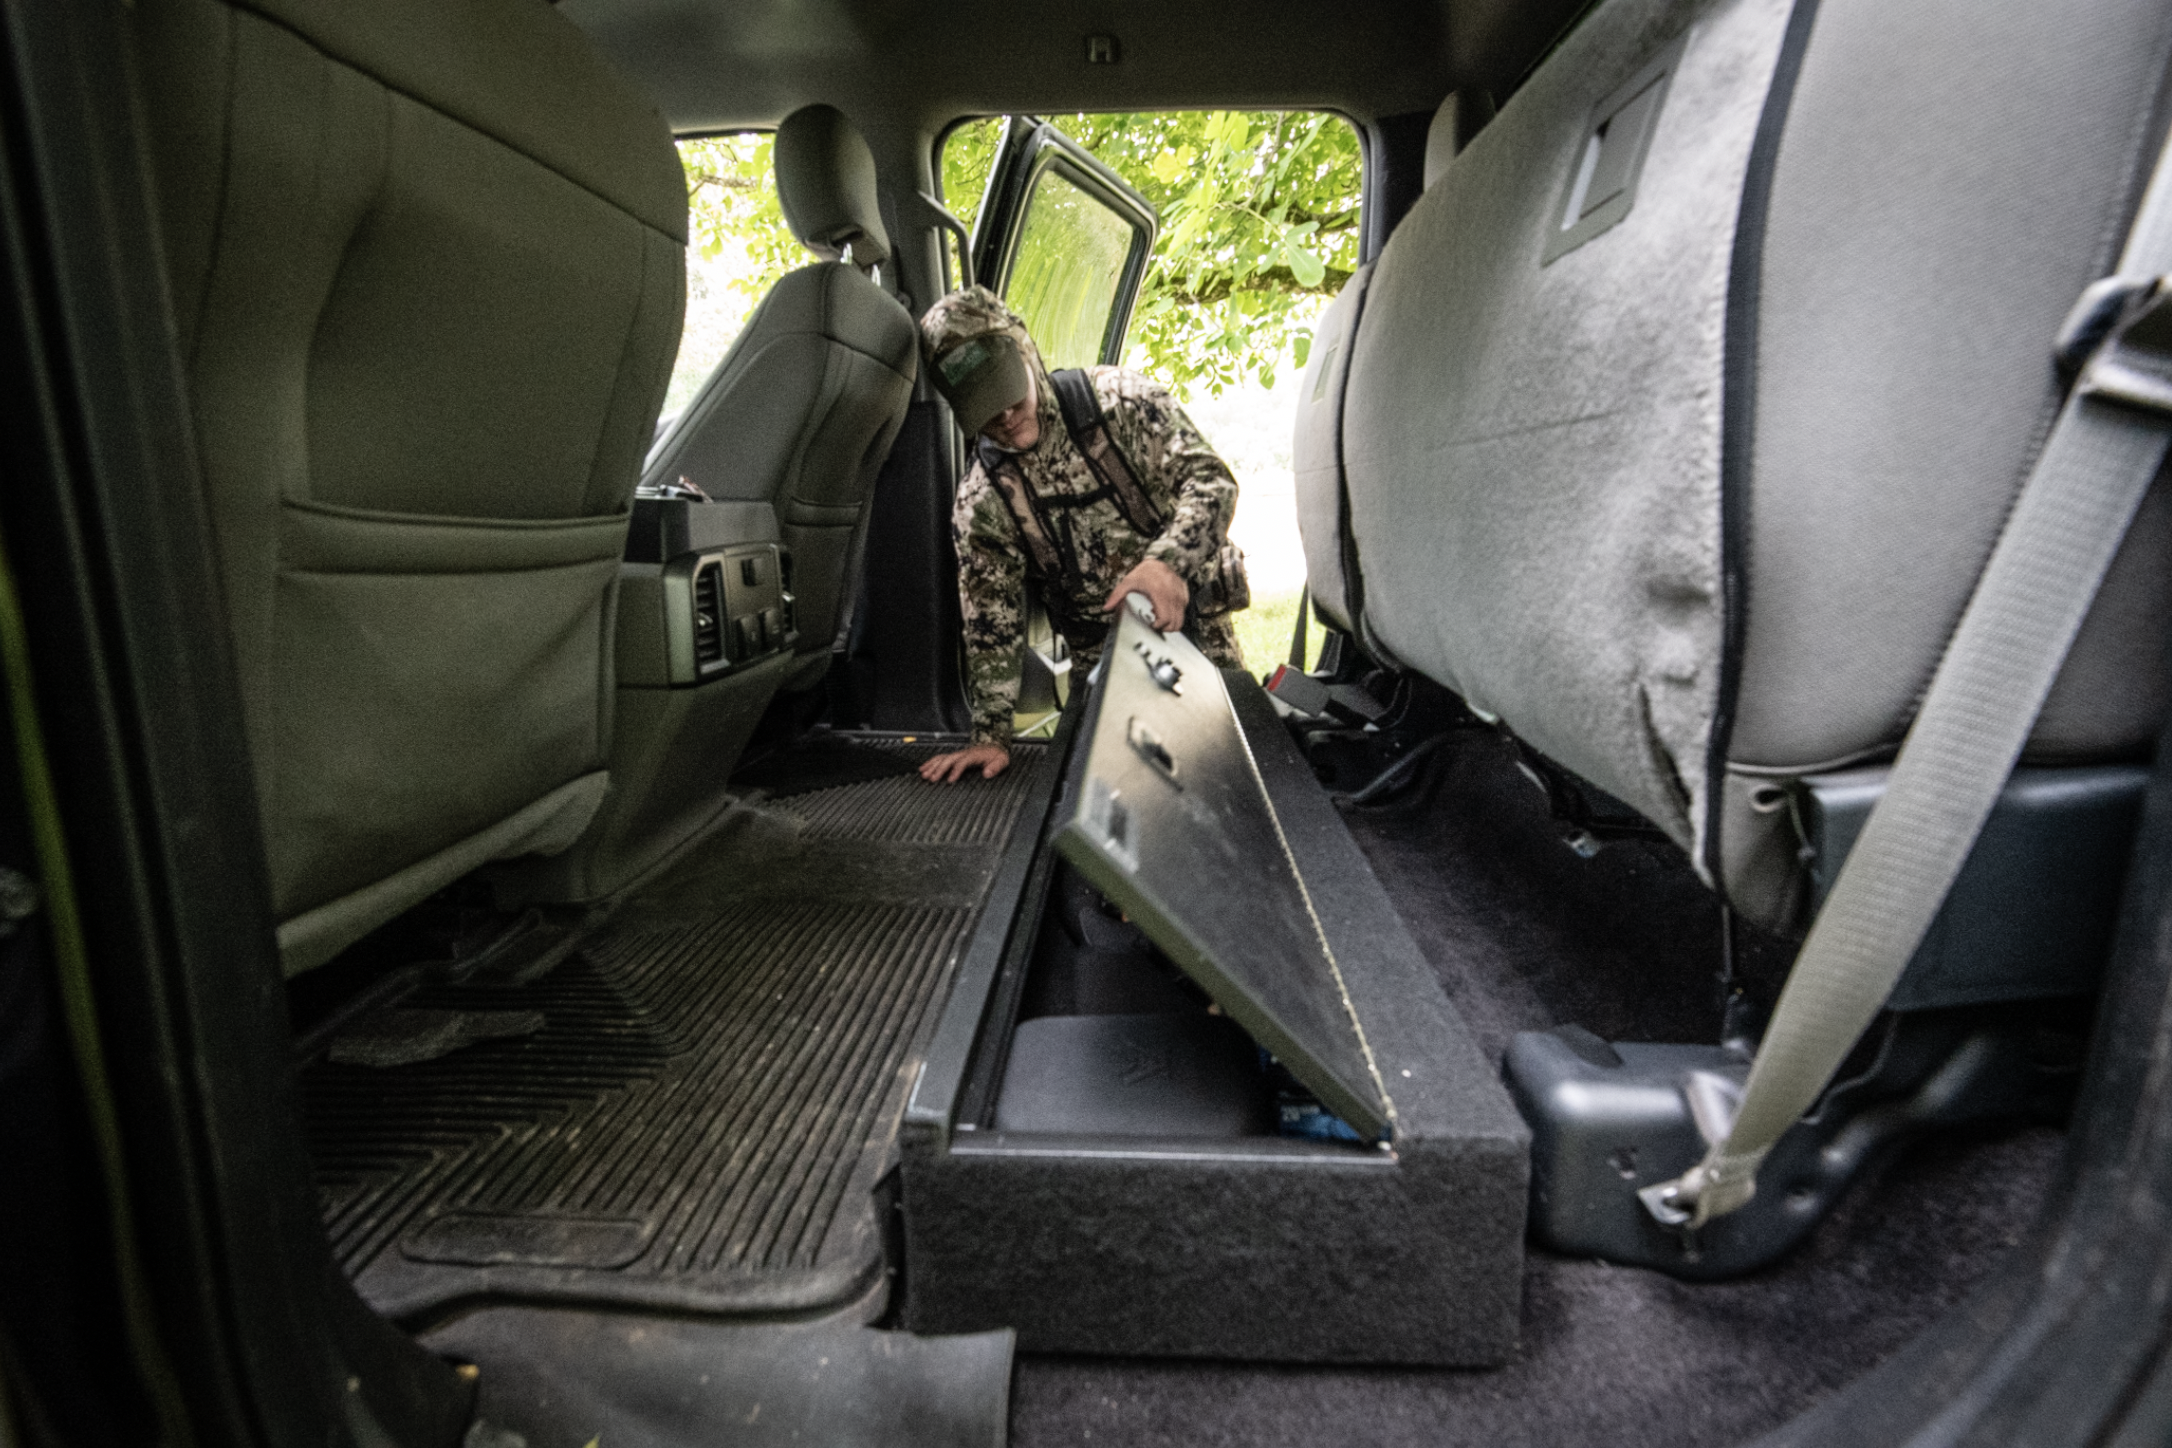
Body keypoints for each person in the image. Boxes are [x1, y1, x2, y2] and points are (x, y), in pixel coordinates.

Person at [915, 287, 1247, 784]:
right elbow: (991, 621)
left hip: (1198, 634)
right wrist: (991, 736)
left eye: (1008, 392)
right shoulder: (982, 500)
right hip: (1103, 667)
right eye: (984, 406)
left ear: (1026, 351)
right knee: (1122, 793)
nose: (1004, 417)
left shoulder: (1121, 402)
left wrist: (1168, 564)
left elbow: (1210, 480)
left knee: (1234, 769)